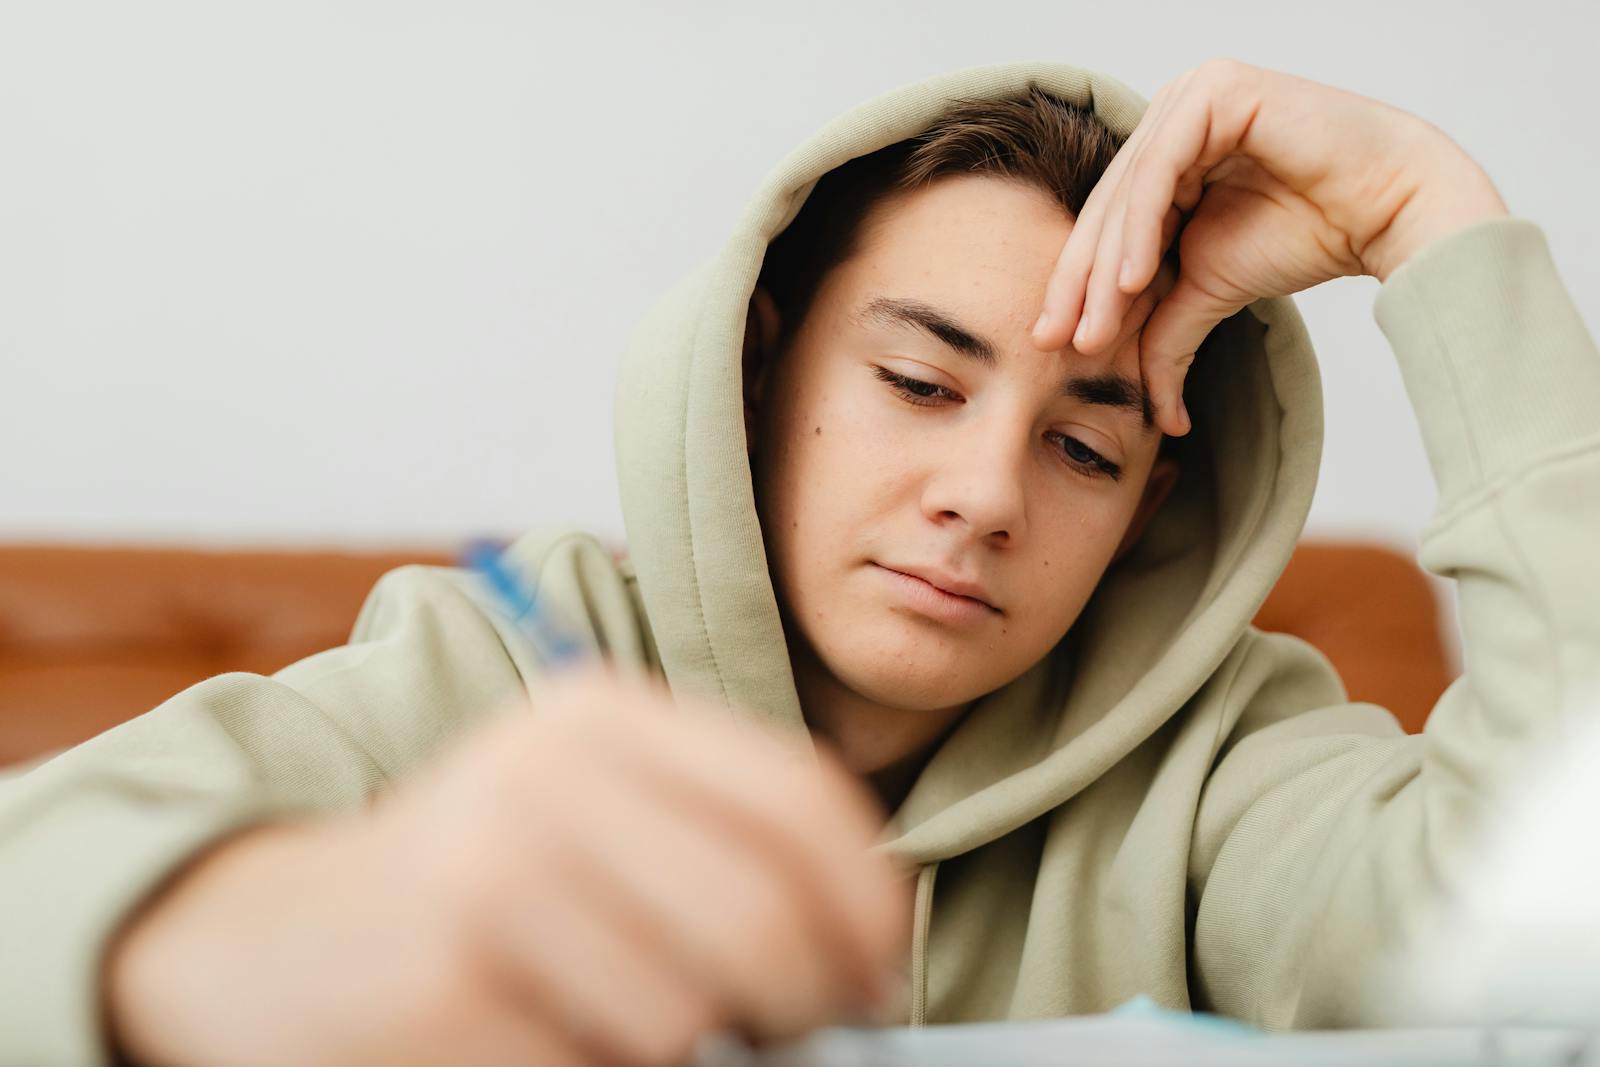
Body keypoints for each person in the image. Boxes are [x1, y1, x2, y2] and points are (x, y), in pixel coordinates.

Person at [3, 56, 1596, 1067]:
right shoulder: (495, 671)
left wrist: (1435, 224)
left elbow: (1542, 945)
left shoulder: (1230, 763)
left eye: (1087, 446)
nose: (984, 496)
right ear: (757, 373)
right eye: (918, 382)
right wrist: (275, 936)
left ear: (1152, 513)